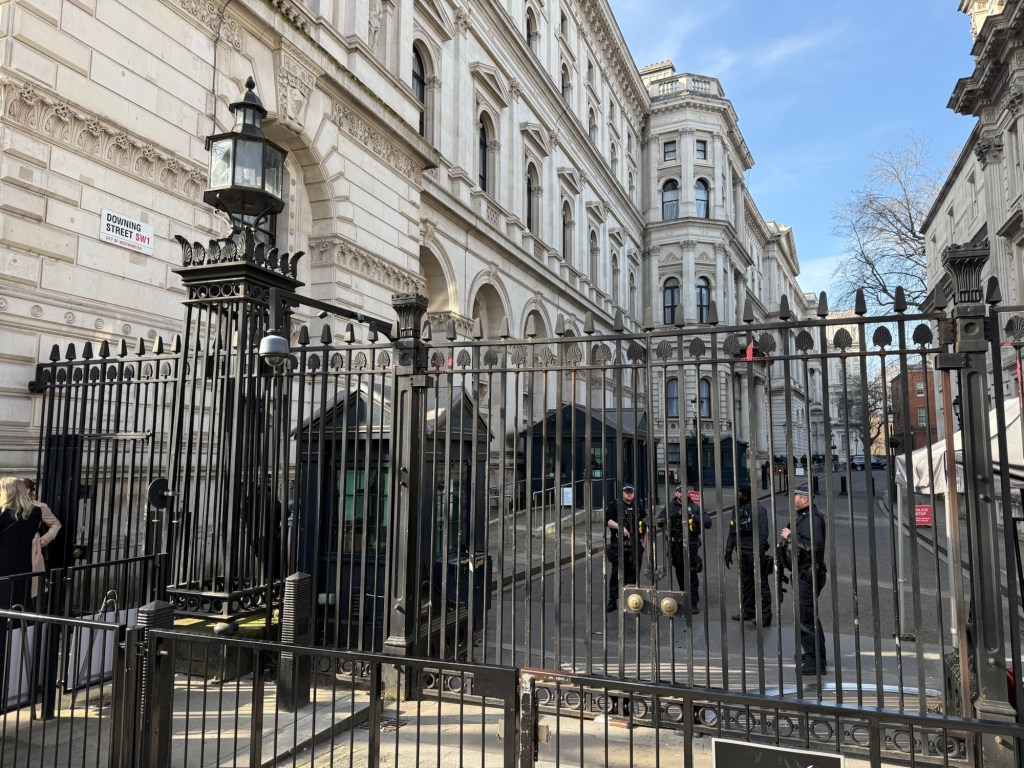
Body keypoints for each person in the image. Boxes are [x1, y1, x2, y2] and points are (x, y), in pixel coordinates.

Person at [779, 482, 828, 675]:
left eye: (796, 496)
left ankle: (815, 664)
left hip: (807, 574)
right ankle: (815, 655)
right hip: (804, 572)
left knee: (805, 619)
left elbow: (815, 545)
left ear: (805, 498)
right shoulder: (804, 516)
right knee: (809, 617)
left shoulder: (812, 519)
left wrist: (790, 536)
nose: (793, 499)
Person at [724, 483, 772, 627]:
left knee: (761, 584)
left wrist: (758, 551)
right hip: (742, 551)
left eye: (739, 492)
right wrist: (728, 550)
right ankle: (748, 611)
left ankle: (765, 615)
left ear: (746, 494)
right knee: (746, 583)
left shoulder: (758, 509)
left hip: (754, 551)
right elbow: (733, 531)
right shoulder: (736, 508)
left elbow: (763, 532)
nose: (736, 494)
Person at [660, 485, 711, 613]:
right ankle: (683, 595)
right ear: (676, 493)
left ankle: (693, 602)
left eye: (684, 491)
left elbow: (708, 523)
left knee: (691, 572)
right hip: (675, 545)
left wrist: (693, 516)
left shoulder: (695, 507)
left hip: (690, 544)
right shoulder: (670, 507)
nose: (681, 494)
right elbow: (660, 520)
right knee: (679, 571)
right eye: (679, 491)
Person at [605, 482, 647, 613]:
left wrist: (644, 544)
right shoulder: (615, 505)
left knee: (633, 573)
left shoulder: (638, 506)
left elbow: (646, 524)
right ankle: (613, 600)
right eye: (627, 492)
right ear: (622, 493)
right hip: (619, 544)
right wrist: (620, 527)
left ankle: (631, 600)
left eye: (631, 492)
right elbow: (608, 520)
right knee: (617, 573)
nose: (629, 495)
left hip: (635, 545)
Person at [23, 478, 61, 599]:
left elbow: (56, 524)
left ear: (28, 490)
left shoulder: (40, 507)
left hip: (32, 546)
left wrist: (46, 538)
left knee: (30, 584)